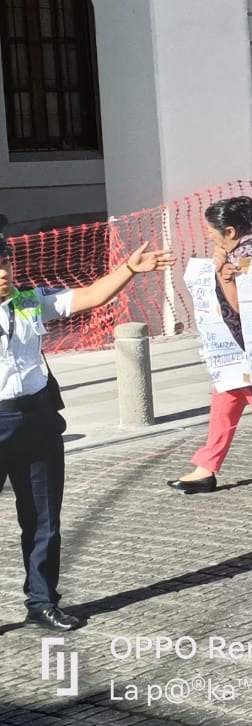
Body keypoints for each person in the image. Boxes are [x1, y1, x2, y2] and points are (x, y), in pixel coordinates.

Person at [0, 218, 173, 629]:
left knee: (43, 520)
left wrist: (129, 269)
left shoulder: (29, 299)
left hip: (38, 418)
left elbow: (91, 296)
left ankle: (42, 601)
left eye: (4, 260)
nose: (3, 272)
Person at [167, 197, 252, 494]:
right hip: (233, 347)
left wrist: (221, 275)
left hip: (247, 346)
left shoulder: (250, 255)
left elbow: (245, 307)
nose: (209, 235)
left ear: (229, 231)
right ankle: (207, 466)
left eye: (212, 230)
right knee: (225, 401)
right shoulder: (240, 251)